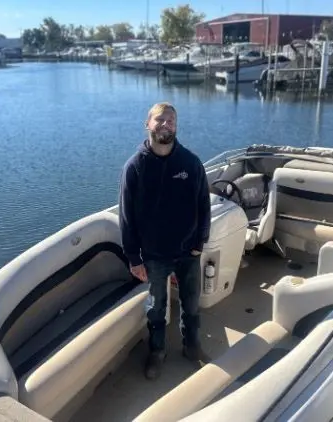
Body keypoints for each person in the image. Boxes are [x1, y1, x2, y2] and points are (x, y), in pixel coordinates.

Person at [118, 102, 212, 380]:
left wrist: (200, 242)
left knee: (192, 305)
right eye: (160, 120)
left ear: (176, 126)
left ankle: (192, 347)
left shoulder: (190, 163)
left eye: (171, 120)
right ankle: (157, 352)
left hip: (188, 251)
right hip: (154, 255)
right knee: (156, 308)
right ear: (148, 124)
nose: (166, 124)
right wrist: (134, 258)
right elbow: (126, 216)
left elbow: (203, 205)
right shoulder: (134, 167)